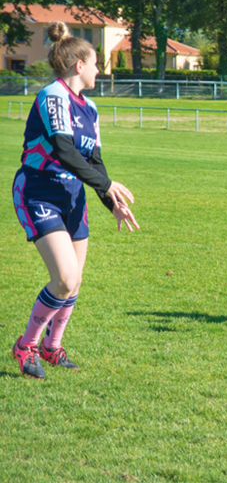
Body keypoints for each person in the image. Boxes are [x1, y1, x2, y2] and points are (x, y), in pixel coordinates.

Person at [11, 21, 139, 379]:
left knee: (75, 280)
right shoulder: (53, 95)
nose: (100, 69)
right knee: (64, 278)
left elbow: (93, 160)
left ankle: (53, 348)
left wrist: (109, 199)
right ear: (78, 65)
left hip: (72, 196)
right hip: (39, 191)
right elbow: (65, 151)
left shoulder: (91, 109)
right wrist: (108, 184)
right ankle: (26, 345)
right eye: (96, 63)